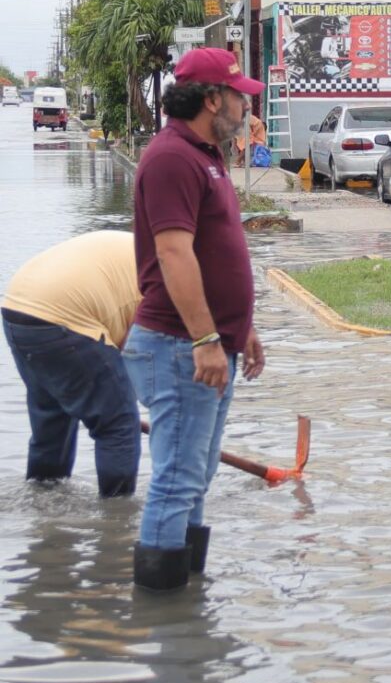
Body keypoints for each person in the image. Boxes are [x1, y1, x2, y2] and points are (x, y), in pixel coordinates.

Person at [122, 48, 266, 593]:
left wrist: (240, 327)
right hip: (176, 346)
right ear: (212, 99)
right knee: (177, 481)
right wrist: (207, 338)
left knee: (196, 477)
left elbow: (216, 253)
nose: (247, 107)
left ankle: (189, 608)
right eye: (239, 96)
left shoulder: (207, 155)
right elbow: (174, 254)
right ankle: (163, 617)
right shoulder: (172, 159)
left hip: (207, 344)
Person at [2, 231, 141, 497]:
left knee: (52, 418)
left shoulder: (138, 247)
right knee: (118, 424)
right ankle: (117, 522)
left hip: (18, 308)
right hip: (64, 315)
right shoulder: (172, 272)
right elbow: (138, 345)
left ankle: (44, 509)